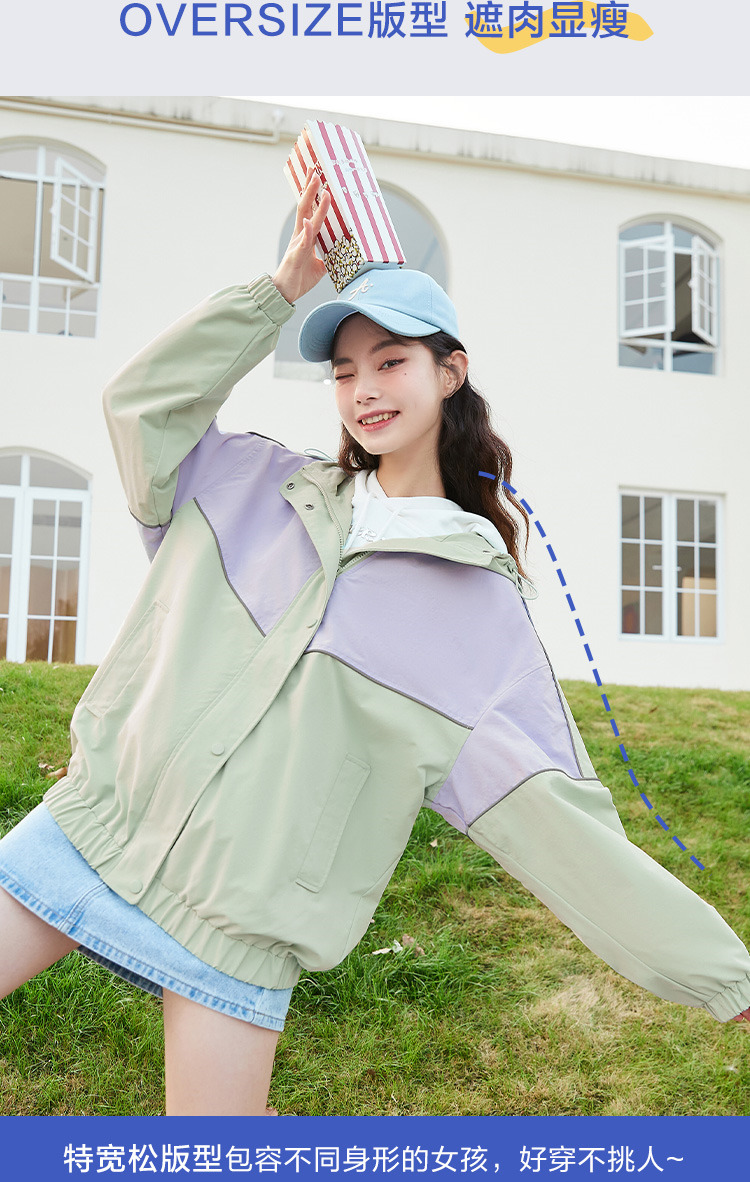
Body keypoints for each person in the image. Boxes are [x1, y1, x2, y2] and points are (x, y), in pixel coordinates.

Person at [0, 169, 748, 1118]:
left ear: (451, 371)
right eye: (345, 371)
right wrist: (280, 291)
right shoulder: (251, 485)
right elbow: (139, 405)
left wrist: (727, 979)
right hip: (87, 829)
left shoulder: (477, 611)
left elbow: (558, 821)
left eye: (391, 362)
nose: (364, 390)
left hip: (238, 925)